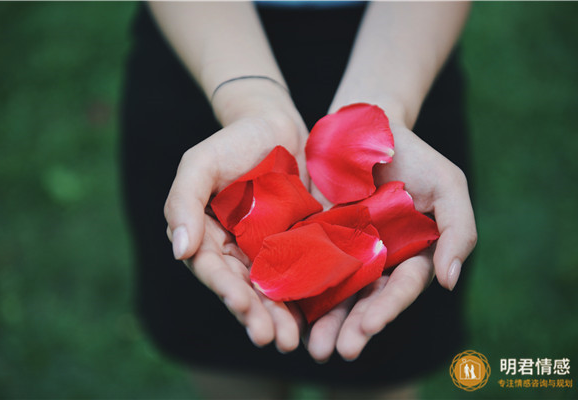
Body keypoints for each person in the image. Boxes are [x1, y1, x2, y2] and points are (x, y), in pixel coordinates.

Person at [121, 1, 477, 398]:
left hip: (405, 56)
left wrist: (384, 102)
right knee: (226, 360)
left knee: (377, 370)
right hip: (204, 51)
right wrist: (248, 100)